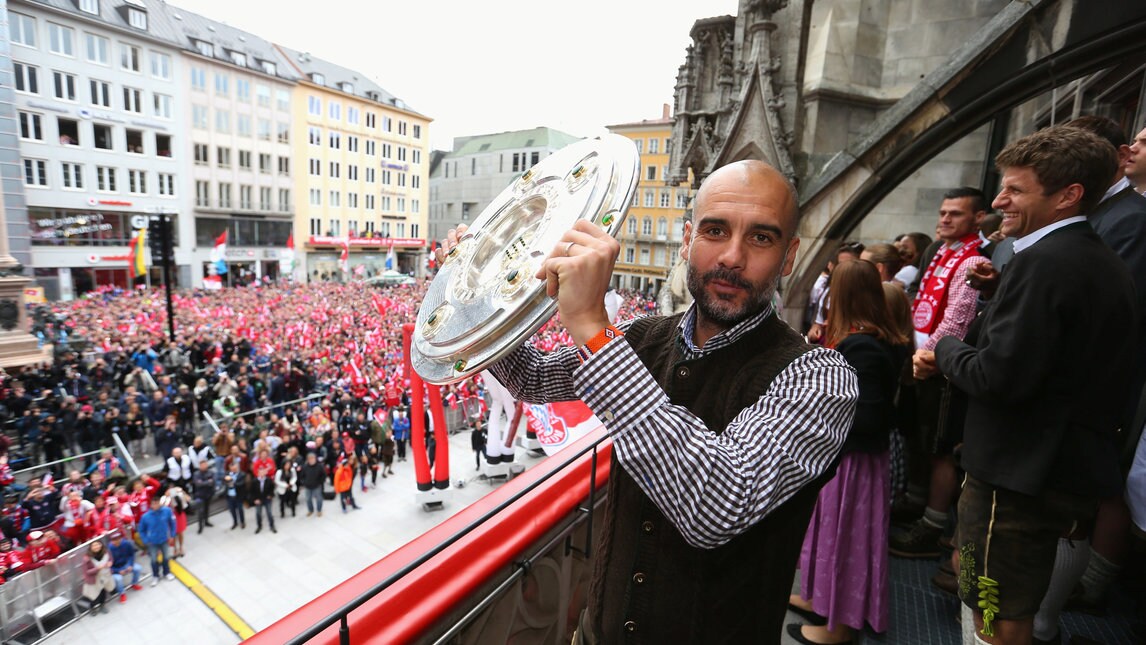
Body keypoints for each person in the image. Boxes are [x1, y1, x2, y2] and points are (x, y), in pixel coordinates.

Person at [449, 159, 858, 643]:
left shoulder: (821, 378)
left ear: (789, 257)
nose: (731, 256)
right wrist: (476, 295)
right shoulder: (645, 336)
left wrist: (593, 329)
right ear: (687, 240)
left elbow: (716, 506)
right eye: (714, 230)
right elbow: (534, 378)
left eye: (760, 238)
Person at [920, 125, 1136, 645]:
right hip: (1052, 467)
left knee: (993, 610)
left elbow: (999, 376)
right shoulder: (1087, 258)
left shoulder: (1046, 264)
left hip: (1017, 475)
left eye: (1015, 190)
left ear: (1068, 195)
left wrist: (943, 349)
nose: (998, 201)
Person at [788, 260, 908, 644]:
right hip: (854, 458)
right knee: (831, 536)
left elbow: (868, 415)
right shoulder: (874, 339)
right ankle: (823, 601)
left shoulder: (864, 346)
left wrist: (813, 415)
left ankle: (838, 625)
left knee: (843, 540)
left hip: (852, 461)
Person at [892, 187, 990, 558]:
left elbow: (958, 316)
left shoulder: (971, 259)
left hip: (940, 366)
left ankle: (932, 523)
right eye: (943, 212)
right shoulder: (938, 251)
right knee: (917, 434)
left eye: (956, 214)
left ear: (977, 218)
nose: (945, 218)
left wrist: (928, 357)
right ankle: (915, 499)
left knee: (939, 446)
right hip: (917, 356)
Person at [138, 497, 176, 586]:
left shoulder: (167, 511)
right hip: (152, 542)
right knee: (154, 560)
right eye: (153, 503)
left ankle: (166, 572)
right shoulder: (145, 517)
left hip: (164, 539)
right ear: (150, 505)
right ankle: (156, 576)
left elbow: (172, 523)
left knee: (166, 557)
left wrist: (172, 535)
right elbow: (141, 530)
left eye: (157, 503)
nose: (155, 505)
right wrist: (146, 540)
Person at [81, 539, 115, 615]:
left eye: (98, 544)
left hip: (104, 577)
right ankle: (92, 607)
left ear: (101, 545)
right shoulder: (86, 558)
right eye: (94, 545)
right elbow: (86, 572)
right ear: (90, 547)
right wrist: (97, 568)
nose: (96, 547)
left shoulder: (106, 552)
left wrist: (110, 563)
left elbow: (111, 559)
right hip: (94, 579)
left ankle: (102, 605)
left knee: (103, 592)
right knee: (94, 595)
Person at [107, 531, 143, 604]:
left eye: (118, 539)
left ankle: (134, 583)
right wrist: (117, 571)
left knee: (138, 568)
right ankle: (122, 593)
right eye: (114, 540)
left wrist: (130, 564)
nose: (117, 541)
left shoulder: (126, 543)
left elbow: (131, 555)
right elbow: (108, 566)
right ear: (111, 541)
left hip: (126, 564)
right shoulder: (109, 550)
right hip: (115, 569)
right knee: (119, 579)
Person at [249, 465, 276, 534]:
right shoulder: (254, 481)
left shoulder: (269, 480)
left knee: (269, 513)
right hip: (258, 500)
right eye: (260, 472)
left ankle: (272, 526)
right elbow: (251, 492)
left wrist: (270, 495)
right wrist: (255, 499)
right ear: (258, 473)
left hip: (267, 499)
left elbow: (272, 489)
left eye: (263, 472)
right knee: (258, 513)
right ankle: (259, 526)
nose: (262, 474)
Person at [191, 460, 216, 534]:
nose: (204, 466)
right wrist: (208, 482)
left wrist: (203, 482)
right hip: (200, 495)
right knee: (200, 511)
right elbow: (198, 484)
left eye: (205, 465)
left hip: (208, 494)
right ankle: (200, 527)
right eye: (202, 465)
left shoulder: (211, 472)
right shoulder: (196, 474)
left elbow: (213, 482)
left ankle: (206, 521)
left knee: (207, 509)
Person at [222, 461, 247, 529]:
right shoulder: (227, 474)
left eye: (235, 468)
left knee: (240, 510)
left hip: (238, 496)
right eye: (232, 469)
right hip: (230, 496)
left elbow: (241, 484)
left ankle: (242, 522)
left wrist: (231, 480)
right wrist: (226, 480)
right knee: (232, 510)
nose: (234, 470)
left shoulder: (242, 474)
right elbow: (223, 482)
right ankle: (235, 522)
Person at [299, 452, 325, 517]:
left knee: (319, 499)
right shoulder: (305, 467)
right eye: (309, 459)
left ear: (315, 459)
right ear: (307, 460)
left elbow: (323, 475)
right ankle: (310, 510)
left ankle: (319, 510)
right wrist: (304, 483)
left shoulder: (320, 466)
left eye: (312, 458)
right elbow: (302, 476)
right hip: (308, 486)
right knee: (308, 499)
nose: (311, 460)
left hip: (317, 486)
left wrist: (320, 482)